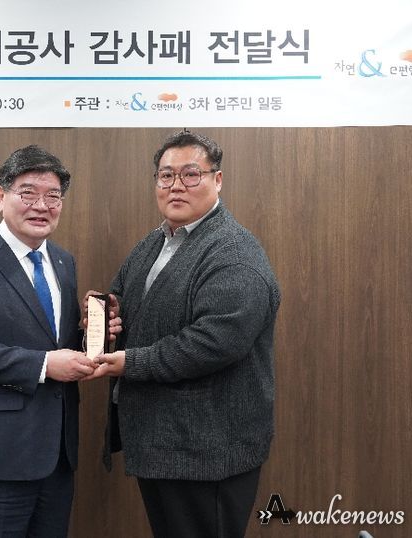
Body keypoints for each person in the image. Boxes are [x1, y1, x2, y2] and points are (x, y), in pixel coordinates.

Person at [85, 131, 281, 538]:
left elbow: (214, 342)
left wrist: (129, 362)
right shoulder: (156, 242)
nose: (176, 185)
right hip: (163, 444)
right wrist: (107, 313)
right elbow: (125, 298)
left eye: (191, 174)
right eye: (166, 175)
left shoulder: (234, 253)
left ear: (217, 180)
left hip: (207, 453)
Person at [0, 145, 99, 537]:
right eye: (28, 193)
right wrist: (45, 366)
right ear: (1, 196)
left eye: (53, 196)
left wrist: (94, 334)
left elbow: (53, 340)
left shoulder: (63, 261)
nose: (41, 206)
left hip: (58, 455)